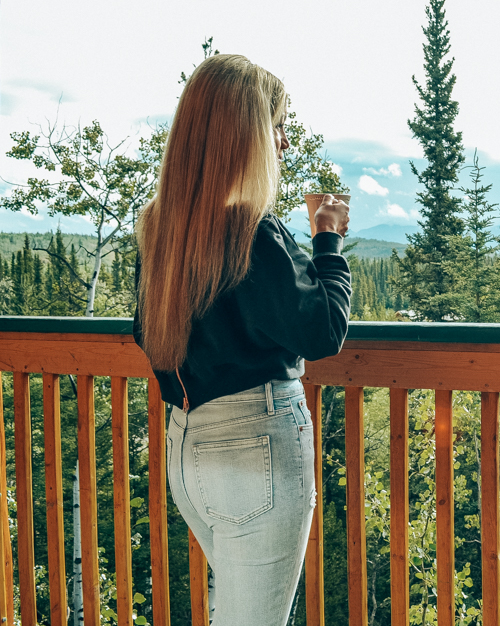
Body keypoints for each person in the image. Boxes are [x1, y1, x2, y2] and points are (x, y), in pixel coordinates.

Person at [132, 54, 352, 625]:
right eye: (275, 126)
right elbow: (323, 329)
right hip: (257, 447)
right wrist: (327, 241)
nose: (282, 142)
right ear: (245, 136)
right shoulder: (251, 232)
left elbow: (151, 337)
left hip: (187, 449)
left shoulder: (161, 229)